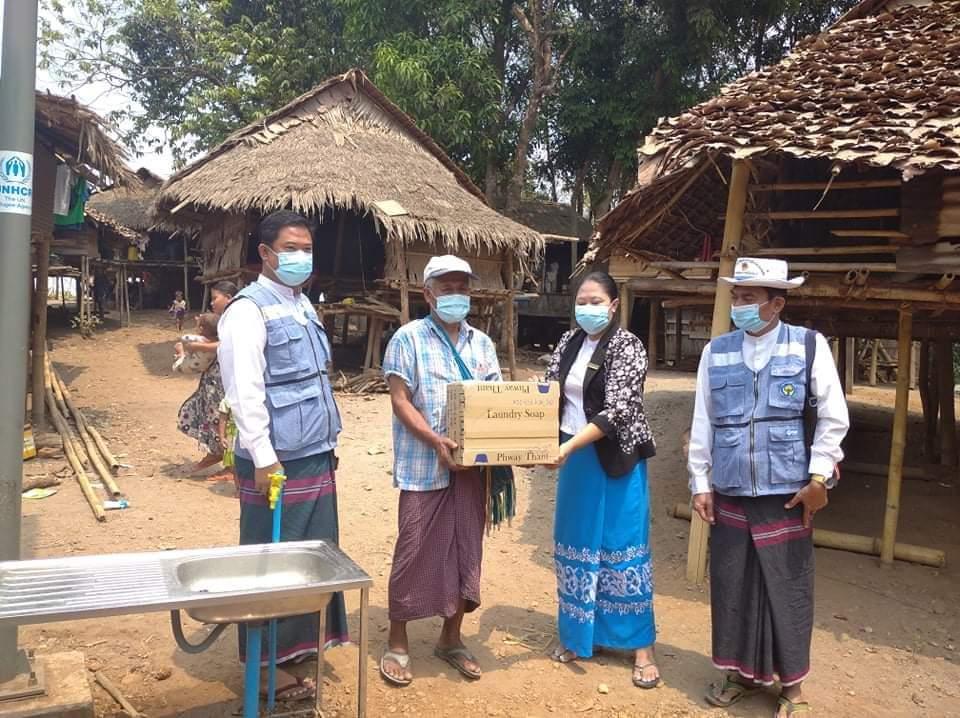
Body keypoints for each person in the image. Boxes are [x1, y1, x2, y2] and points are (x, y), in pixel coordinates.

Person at [688, 258, 849, 718]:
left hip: (787, 495)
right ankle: (739, 676)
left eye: (749, 298)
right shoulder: (714, 352)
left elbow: (834, 417)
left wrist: (819, 477)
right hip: (732, 490)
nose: (738, 304)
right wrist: (701, 481)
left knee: (788, 585)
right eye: (735, 296)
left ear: (777, 304)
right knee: (732, 585)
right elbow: (703, 421)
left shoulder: (809, 347)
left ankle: (792, 687)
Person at [218, 210, 345, 701]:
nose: (301, 258)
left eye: (307, 249)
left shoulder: (303, 304)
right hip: (276, 460)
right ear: (265, 254)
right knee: (271, 560)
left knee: (312, 554)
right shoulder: (246, 311)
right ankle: (267, 666)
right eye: (291, 249)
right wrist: (265, 457)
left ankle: (299, 648)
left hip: (314, 451)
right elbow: (245, 392)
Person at [379, 255, 501, 687]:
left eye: (462, 288)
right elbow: (400, 399)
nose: (456, 296)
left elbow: (497, 405)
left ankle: (451, 637)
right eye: (446, 288)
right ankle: (398, 640)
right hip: (423, 465)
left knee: (466, 549)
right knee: (413, 548)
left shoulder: (482, 344)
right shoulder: (407, 338)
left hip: (471, 471)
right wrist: (435, 439)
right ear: (427, 293)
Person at [543, 271, 660, 689]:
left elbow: (619, 412)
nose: (587, 308)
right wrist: (534, 442)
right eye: (581, 301)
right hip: (574, 458)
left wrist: (569, 445)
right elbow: (547, 395)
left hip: (616, 460)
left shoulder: (628, 346)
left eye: (595, 301)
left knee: (622, 546)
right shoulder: (568, 343)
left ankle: (640, 645)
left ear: (613, 305)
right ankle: (580, 636)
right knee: (575, 543)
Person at [176, 281, 238, 475]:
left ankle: (230, 465)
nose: (212, 303)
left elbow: (228, 345)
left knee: (223, 419)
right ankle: (217, 453)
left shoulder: (237, 319)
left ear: (229, 298)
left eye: (215, 298)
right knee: (207, 412)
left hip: (225, 379)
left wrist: (197, 348)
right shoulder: (223, 319)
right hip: (213, 377)